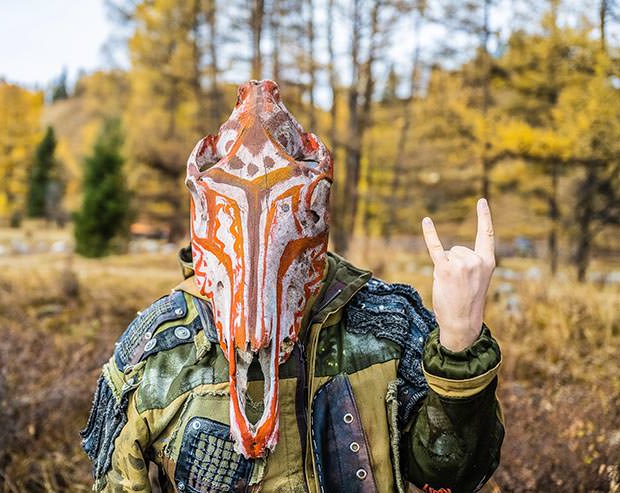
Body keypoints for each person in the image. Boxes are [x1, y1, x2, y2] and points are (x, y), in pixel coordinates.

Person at [81, 80, 504, 493]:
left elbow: (454, 476)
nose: (257, 327)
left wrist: (459, 342)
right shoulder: (155, 352)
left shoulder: (385, 322)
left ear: (317, 214)